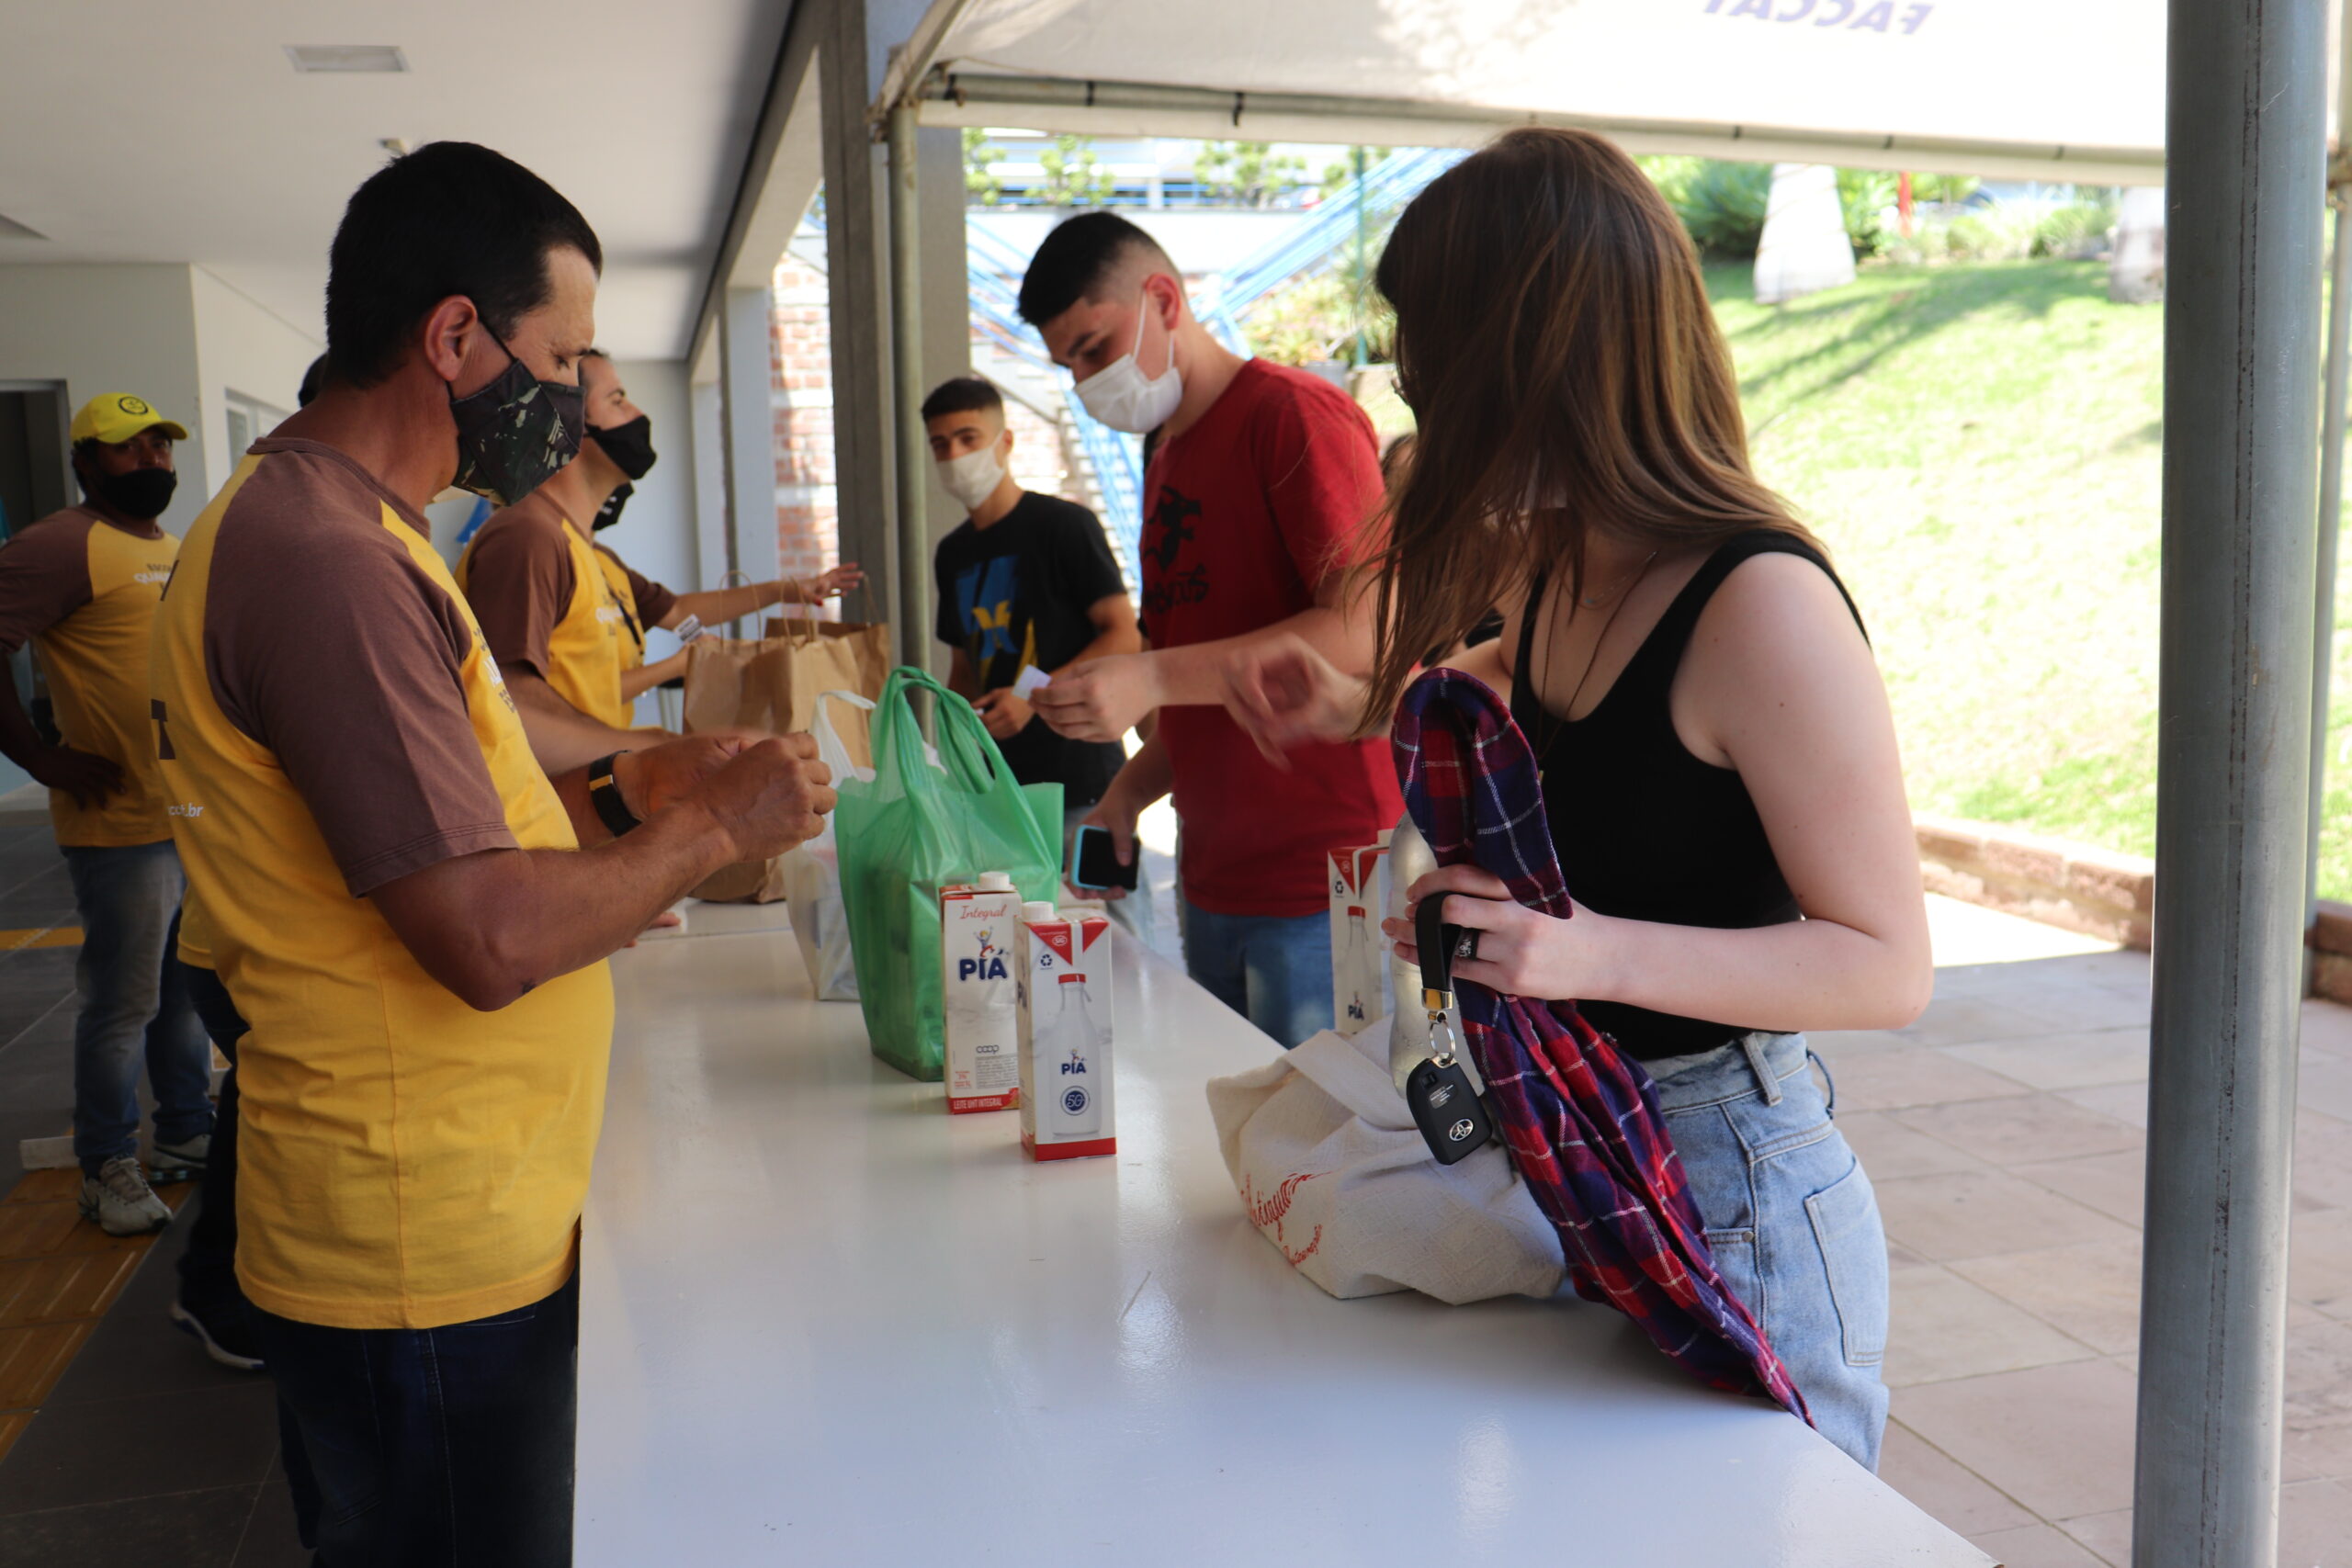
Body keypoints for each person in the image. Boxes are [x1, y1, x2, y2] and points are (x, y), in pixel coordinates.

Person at [149, 141, 835, 1565]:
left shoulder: (363, 538)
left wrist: (643, 784)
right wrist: (718, 824)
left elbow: (479, 806)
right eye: (563, 353)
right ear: (454, 335)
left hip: (458, 1215)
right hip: (418, 1249)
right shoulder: (324, 558)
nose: (581, 398)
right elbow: (488, 933)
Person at [1217, 129, 1928, 1471]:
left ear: (1530, 356)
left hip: (1736, 1190)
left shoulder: (1760, 603)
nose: (1411, 390)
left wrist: (1577, 950)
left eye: (1429, 353)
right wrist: (1345, 702)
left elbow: (1889, 964)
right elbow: (1520, 697)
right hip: (1587, 1154)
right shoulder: (1562, 564)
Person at [1019, 213, 1401, 1046]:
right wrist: (1124, 796)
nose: (1087, 381)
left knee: (1328, 1152)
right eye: (1069, 366)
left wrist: (1148, 679)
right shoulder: (1166, 458)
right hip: (1212, 879)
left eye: (1094, 346)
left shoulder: (1297, 416)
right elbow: (1210, 690)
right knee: (1244, 1148)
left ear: (1163, 298)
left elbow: (1364, 630)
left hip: (1325, 878)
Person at [0, 392, 213, 1236]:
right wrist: (38, 757)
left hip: (186, 813)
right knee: (124, 1002)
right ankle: (106, 1164)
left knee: (186, 991)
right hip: (119, 824)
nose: (153, 462)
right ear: (87, 460)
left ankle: (187, 1133)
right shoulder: (59, 544)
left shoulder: (165, 545)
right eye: (130, 450)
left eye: (161, 447)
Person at [458, 349, 860, 743]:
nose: (638, 414)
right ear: (570, 421)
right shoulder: (528, 538)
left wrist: (790, 590)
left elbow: (680, 611)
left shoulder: (597, 559)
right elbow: (512, 702)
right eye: (617, 400)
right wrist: (660, 750)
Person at [922, 375, 1149, 933]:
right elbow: (963, 666)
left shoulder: (1064, 526)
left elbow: (1124, 634)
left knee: (1115, 947)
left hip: (1085, 785)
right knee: (1021, 950)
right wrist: (948, 753)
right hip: (1000, 798)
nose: (955, 456)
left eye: (968, 437)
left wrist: (1031, 697)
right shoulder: (952, 553)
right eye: (941, 444)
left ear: (1005, 440)